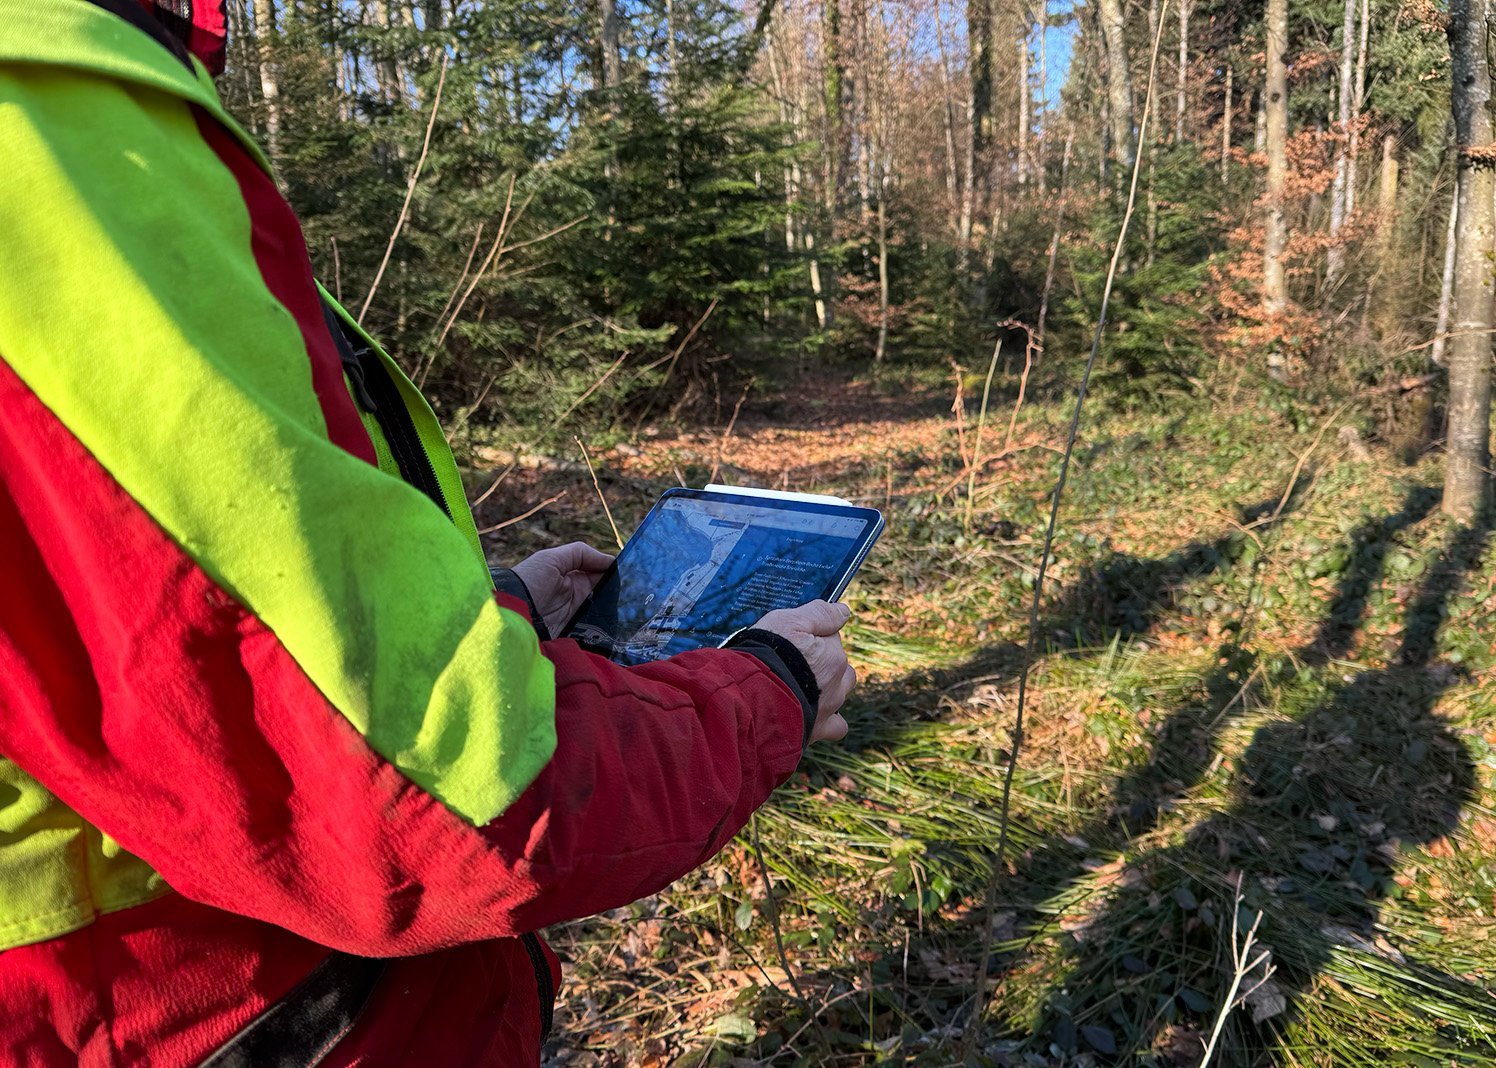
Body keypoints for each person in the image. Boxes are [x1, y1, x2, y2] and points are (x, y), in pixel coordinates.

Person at [0, 1, 856, 1064]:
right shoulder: (51, 116)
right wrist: (767, 689)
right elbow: (436, 809)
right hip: (230, 1016)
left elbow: (177, 617)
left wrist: (499, 610)